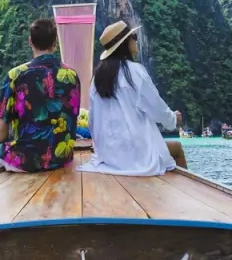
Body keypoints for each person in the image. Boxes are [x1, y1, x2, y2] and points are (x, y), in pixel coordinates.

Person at [77, 20, 188, 176]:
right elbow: (157, 109)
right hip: (135, 156)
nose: (136, 40)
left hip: (108, 157)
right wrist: (174, 119)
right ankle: (184, 194)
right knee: (176, 148)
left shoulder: (97, 80)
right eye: (133, 36)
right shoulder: (135, 73)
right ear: (125, 43)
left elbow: (92, 121)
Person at [0, 18, 81, 173]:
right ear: (55, 43)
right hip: (62, 158)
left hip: (27, 160)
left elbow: (1, 126)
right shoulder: (72, 75)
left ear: (30, 41)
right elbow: (73, 116)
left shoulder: (16, 75)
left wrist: (4, 147)